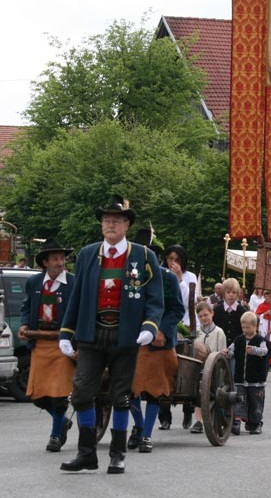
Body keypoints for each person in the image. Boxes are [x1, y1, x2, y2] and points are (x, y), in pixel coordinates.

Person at [58, 195, 164, 474]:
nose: (110, 224)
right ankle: (87, 454)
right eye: (106, 220)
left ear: (127, 225)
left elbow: (155, 299)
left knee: (121, 397)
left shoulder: (144, 256)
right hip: (92, 335)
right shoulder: (87, 254)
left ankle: (117, 454)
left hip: (125, 335)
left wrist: (149, 327)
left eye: (116, 220)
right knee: (81, 392)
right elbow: (77, 296)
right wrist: (66, 333)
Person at [128, 238, 185, 453]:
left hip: (159, 345)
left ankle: (146, 435)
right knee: (127, 390)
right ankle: (140, 425)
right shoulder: (132, 278)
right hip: (133, 342)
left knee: (153, 390)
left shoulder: (168, 278)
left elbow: (177, 310)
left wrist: (162, 330)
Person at [18, 238, 75, 452]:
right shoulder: (34, 283)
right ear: (45, 262)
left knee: (59, 395)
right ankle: (63, 423)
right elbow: (27, 306)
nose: (60, 262)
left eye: (62, 258)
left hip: (62, 343)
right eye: (55, 259)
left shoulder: (73, 282)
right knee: (38, 395)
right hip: (39, 343)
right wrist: (24, 324)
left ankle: (55, 436)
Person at [158, 243, 198, 431]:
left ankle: (188, 410)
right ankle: (164, 415)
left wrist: (179, 279)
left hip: (184, 322)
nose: (173, 263)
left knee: (185, 364)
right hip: (163, 322)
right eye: (170, 259)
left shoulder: (190, 278)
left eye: (177, 260)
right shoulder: (160, 274)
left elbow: (185, 301)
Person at [225, 311, 268, 435]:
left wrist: (255, 350)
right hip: (240, 379)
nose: (245, 330)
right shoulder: (238, 340)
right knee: (239, 400)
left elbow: (265, 351)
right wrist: (227, 352)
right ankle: (237, 422)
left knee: (255, 402)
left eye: (248, 327)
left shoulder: (260, 339)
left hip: (256, 380)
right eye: (243, 327)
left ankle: (256, 423)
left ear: (255, 327)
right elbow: (231, 350)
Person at [190, 301, 227, 434]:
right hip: (197, 368)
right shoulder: (197, 333)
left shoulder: (219, 332)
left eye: (206, 315)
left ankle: (210, 419)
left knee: (207, 389)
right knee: (198, 390)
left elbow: (222, 353)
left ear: (212, 313)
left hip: (213, 369)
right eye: (200, 316)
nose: (203, 318)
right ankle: (198, 421)